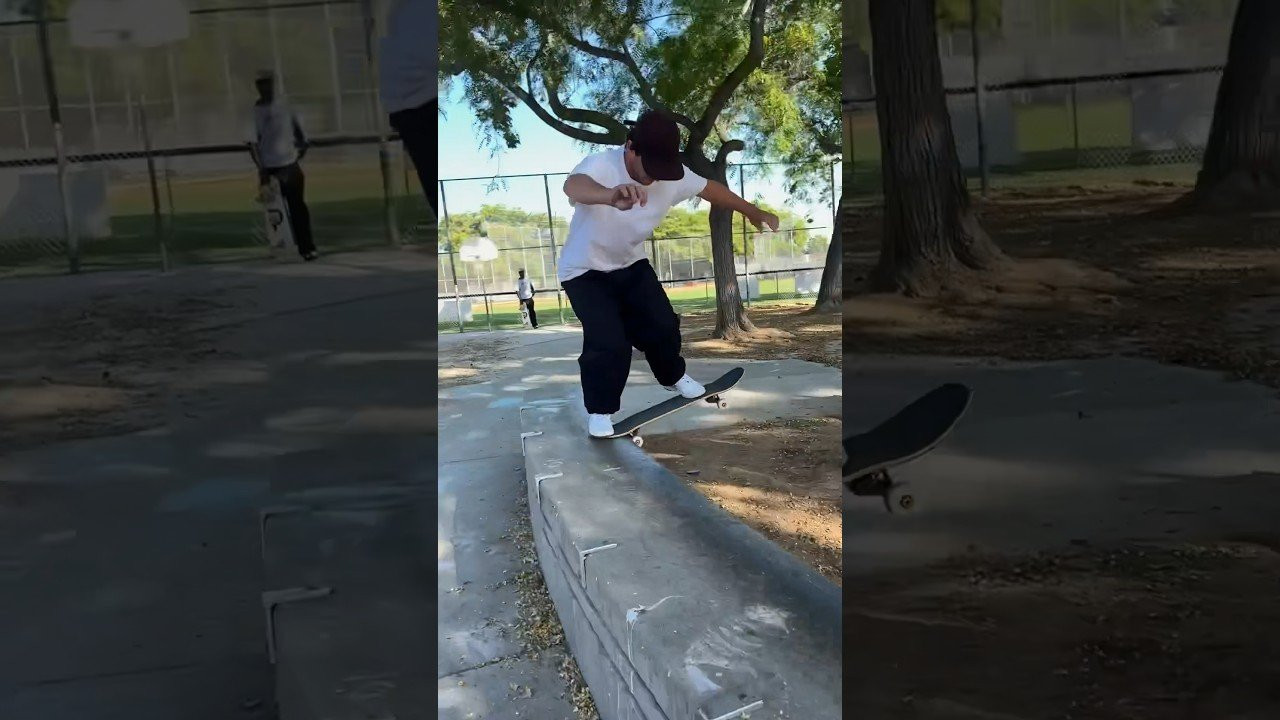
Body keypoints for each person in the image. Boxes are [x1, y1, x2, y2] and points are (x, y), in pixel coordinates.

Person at [559, 109, 780, 438]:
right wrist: (609, 195)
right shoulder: (602, 165)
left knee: (662, 325)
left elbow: (712, 189)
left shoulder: (671, 175)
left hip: (631, 264)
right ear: (630, 148)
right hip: (584, 272)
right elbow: (572, 186)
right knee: (609, 342)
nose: (654, 180)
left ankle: (673, 377)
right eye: (649, 170)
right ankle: (601, 411)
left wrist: (752, 211)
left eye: (663, 171)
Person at [248, 70, 317, 261]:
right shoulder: (254, 112)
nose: (264, 88)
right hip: (269, 168)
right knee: (273, 212)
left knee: (298, 208)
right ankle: (280, 248)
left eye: (267, 83)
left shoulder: (286, 107)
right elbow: (253, 143)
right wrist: (262, 170)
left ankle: (307, 248)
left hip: (289, 165)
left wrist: (298, 154)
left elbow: (302, 136)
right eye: (260, 84)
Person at [379, 0, 436, 211]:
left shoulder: (400, 11)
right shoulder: (417, 10)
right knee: (431, 171)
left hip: (407, 108)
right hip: (422, 105)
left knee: (429, 172)